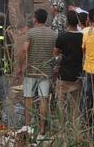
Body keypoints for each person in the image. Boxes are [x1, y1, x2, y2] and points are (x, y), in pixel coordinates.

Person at [18, 8, 56, 137]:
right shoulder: (53, 34)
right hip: (46, 71)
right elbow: (55, 52)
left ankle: (28, 126)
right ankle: (42, 128)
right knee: (43, 98)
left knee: (28, 98)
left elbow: (24, 50)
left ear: (35, 19)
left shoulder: (31, 33)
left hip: (31, 70)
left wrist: (20, 67)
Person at [54, 10, 83, 122]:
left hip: (64, 75)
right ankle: (76, 128)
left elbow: (55, 54)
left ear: (67, 22)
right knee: (75, 106)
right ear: (78, 22)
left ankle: (61, 128)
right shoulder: (82, 37)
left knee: (61, 105)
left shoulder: (62, 37)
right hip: (77, 75)